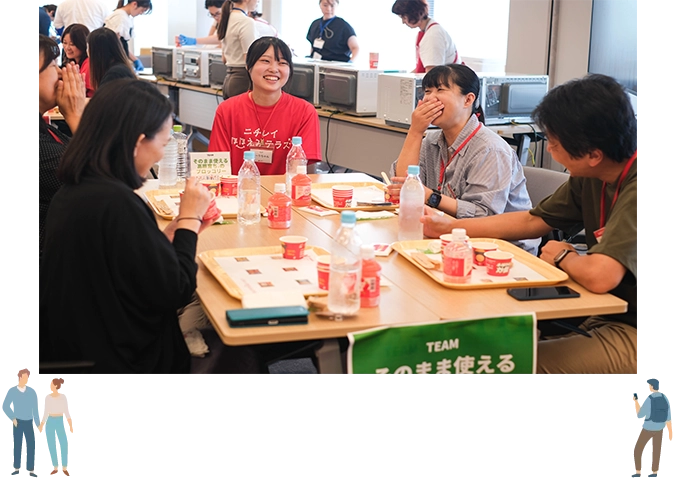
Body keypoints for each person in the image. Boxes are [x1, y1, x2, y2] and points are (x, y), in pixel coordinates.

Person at [420, 74, 639, 374]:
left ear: (593, 154)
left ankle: (654, 405)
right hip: (606, 309)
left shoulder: (640, 187)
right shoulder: (593, 174)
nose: (549, 150)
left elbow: (601, 276)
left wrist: (563, 256)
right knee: (486, 346)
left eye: (555, 143)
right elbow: (532, 220)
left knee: (507, 365)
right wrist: (449, 229)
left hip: (637, 327)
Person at [37, 79, 217, 375]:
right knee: (237, 351)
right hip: (123, 360)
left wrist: (168, 236)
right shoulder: (116, 202)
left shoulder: (76, 189)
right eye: (162, 144)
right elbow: (177, 289)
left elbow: (122, 261)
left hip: (79, 346)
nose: (161, 154)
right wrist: (189, 220)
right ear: (137, 143)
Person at [386, 64, 538, 254]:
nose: (430, 98)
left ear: (468, 99)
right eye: (427, 91)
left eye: (440, 90)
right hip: (449, 237)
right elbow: (404, 186)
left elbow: (483, 216)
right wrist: (415, 131)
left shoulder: (490, 149)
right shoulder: (432, 140)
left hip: (500, 250)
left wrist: (431, 197)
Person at [208, 36, 321, 175]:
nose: (274, 69)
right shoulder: (227, 110)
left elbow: (301, 172)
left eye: (282, 63)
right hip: (238, 188)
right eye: (265, 61)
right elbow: (218, 168)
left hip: (285, 188)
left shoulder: (304, 112)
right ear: (248, 66)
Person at [35, 34, 86, 271]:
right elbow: (107, 187)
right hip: (49, 275)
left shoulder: (40, 127)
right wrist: (76, 116)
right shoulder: (37, 148)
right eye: (52, 65)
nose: (60, 72)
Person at [392, 0, 461, 73]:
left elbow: (432, 73)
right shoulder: (430, 30)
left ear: (413, 14)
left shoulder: (433, 35)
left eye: (403, 17)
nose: (403, 22)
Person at [216, 0, 260, 99]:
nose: (258, 1)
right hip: (243, 81)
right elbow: (249, 59)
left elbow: (224, 59)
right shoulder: (246, 22)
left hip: (229, 80)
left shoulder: (226, 19)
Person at [2, 369, 40, 478]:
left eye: (27, 377)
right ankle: (16, 468)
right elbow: (5, 406)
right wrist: (12, 418)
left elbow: (36, 408)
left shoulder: (32, 391)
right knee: (17, 446)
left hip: (30, 423)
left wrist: (37, 423)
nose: (26, 379)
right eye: (24, 377)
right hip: (17, 423)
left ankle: (31, 469)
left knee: (31, 447)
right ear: (19, 377)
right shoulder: (11, 391)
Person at [632, 378, 673, 478]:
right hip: (660, 430)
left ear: (651, 386)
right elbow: (669, 416)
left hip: (647, 430)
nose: (647, 387)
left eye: (648, 385)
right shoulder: (665, 397)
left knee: (638, 449)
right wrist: (670, 431)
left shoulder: (648, 399)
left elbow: (641, 415)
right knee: (656, 451)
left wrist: (636, 403)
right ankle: (654, 472)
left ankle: (638, 471)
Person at [39, 378, 74, 477]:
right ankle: (55, 467)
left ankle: (64, 467)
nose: (49, 385)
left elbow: (67, 412)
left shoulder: (63, 398)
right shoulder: (47, 398)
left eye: (50, 384)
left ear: (56, 385)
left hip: (60, 422)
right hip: (50, 422)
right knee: (51, 445)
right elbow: (45, 413)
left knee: (63, 445)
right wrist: (41, 425)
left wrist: (70, 426)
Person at [104, 0, 152, 72]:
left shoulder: (125, 16)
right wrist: (126, 65)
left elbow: (122, 44)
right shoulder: (120, 17)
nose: (141, 13)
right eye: (142, 10)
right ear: (134, 4)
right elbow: (115, 44)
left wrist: (135, 60)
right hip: (114, 62)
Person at [87, 27, 136, 91]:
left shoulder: (114, 74)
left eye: (89, 47)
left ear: (97, 50)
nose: (87, 50)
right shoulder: (114, 69)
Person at [62, 23, 94, 97]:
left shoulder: (88, 63)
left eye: (72, 44)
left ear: (82, 44)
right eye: (65, 43)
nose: (67, 47)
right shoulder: (74, 62)